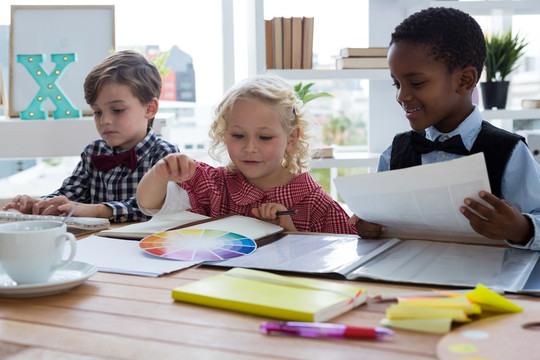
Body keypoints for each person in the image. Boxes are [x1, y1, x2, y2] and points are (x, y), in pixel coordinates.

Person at [351, 7, 540, 249]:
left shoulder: (510, 152)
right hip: (406, 280)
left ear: (465, 80)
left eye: (416, 83)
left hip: (487, 282)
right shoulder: (393, 154)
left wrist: (522, 228)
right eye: (396, 83)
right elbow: (377, 220)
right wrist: (368, 226)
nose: (401, 95)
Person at [137, 74, 356, 234]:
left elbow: (343, 264)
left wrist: (291, 233)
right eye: (239, 135)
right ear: (224, 134)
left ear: (291, 138)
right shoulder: (213, 186)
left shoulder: (320, 206)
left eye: (265, 137)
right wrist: (160, 173)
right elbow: (149, 204)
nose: (250, 147)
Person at [2, 50, 179, 222]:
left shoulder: (166, 156)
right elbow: (70, 193)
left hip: (143, 247)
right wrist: (41, 204)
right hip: (95, 244)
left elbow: (155, 207)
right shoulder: (93, 151)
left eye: (117, 110)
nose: (105, 120)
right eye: (97, 112)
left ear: (149, 109)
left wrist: (97, 210)